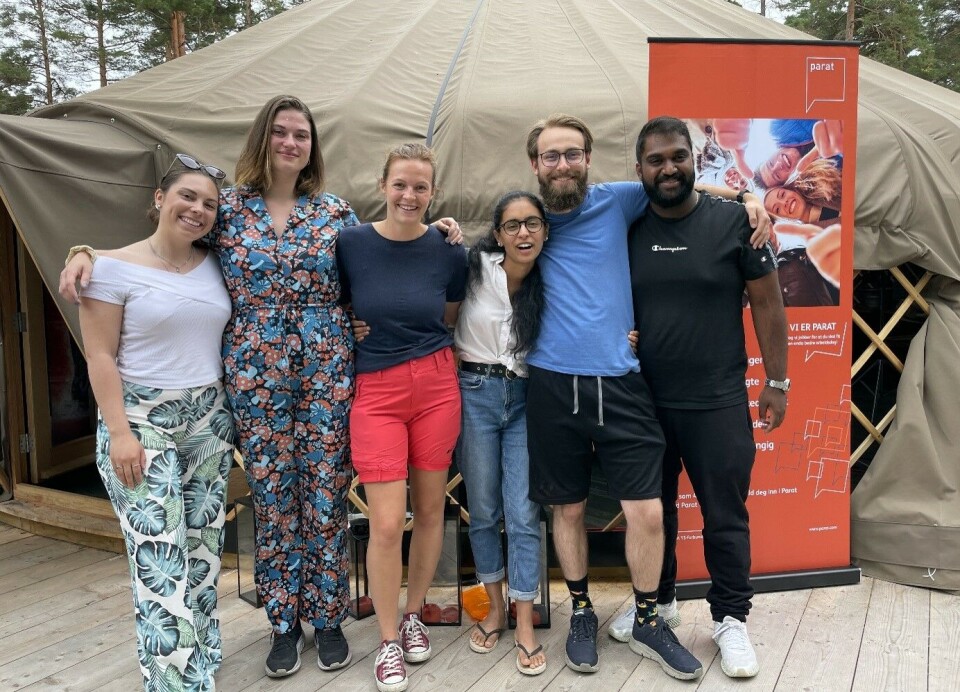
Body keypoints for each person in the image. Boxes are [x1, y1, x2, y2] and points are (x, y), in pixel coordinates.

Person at [60, 96, 466, 679]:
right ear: (264, 138)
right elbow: (167, 244)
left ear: (313, 146)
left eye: (302, 134)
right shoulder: (229, 209)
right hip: (254, 374)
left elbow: (386, 257)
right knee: (273, 499)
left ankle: (327, 617)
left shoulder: (335, 214)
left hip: (327, 369)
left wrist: (442, 228)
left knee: (325, 495)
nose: (291, 143)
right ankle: (283, 623)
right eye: (281, 132)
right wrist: (87, 253)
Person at [523, 113, 771, 681]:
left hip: (633, 383)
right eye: (550, 156)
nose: (562, 164)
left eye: (572, 154)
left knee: (654, 511)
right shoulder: (527, 218)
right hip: (556, 383)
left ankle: (678, 615)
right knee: (569, 507)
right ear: (534, 164)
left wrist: (743, 195)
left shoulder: (616, 200)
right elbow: (482, 264)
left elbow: (678, 181)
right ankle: (590, 610)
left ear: (590, 159)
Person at [608, 116, 788, 679]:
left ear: (694, 160)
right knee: (652, 513)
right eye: (655, 160)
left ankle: (731, 618)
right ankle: (657, 605)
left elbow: (767, 304)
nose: (668, 168)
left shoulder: (735, 222)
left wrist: (777, 381)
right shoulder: (624, 222)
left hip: (717, 399)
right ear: (638, 170)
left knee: (724, 515)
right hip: (643, 402)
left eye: (677, 157)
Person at [79, 154, 235, 691]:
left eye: (210, 204)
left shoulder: (217, 262)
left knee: (202, 550)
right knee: (159, 556)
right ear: (159, 198)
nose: (197, 210)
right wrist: (119, 433)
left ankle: (202, 656)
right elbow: (99, 356)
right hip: (141, 421)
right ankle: (177, 683)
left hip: (209, 418)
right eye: (187, 197)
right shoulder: (108, 267)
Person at [336, 143, 467, 692]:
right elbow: (335, 304)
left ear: (433, 192)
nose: (409, 196)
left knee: (432, 511)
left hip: (437, 384)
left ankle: (414, 615)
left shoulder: (449, 249)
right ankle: (388, 641)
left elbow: (449, 317)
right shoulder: (350, 243)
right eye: (400, 185)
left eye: (420, 187)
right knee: (387, 522)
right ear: (382, 185)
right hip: (377, 390)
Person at [454, 191, 548, 676]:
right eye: (512, 225)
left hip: (528, 400)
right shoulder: (473, 267)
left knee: (524, 512)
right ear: (497, 234)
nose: (523, 233)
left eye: (532, 223)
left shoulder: (553, 279)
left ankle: (525, 620)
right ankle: (494, 609)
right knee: (485, 509)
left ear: (545, 231)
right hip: (475, 393)